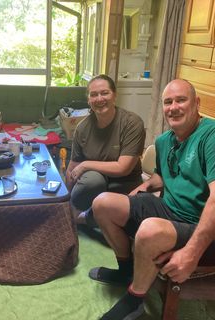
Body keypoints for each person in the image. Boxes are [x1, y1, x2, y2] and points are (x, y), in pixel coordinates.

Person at [90, 79, 215, 320]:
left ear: (196, 103)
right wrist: (146, 186)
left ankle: (135, 299)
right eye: (168, 102)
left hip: (200, 226)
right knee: (102, 203)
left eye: (181, 100)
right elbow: (164, 175)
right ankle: (126, 271)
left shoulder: (210, 136)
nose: (173, 107)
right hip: (169, 209)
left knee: (148, 231)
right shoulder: (164, 141)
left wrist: (191, 252)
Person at [66, 74, 145, 226]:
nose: (99, 99)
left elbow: (123, 168)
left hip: (124, 187)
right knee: (93, 180)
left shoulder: (132, 123)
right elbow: (72, 166)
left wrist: (86, 164)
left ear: (115, 95)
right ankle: (86, 214)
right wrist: (66, 199)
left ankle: (87, 217)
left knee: (127, 221)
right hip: (95, 186)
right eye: (93, 95)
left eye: (104, 93)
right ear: (89, 100)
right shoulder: (82, 128)